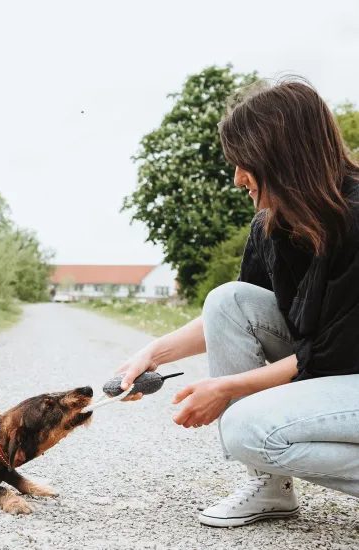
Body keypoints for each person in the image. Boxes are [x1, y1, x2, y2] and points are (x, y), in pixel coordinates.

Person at [117, 78, 359, 528]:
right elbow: (234, 318)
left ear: (282, 158)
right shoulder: (272, 225)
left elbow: (332, 353)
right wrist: (151, 352)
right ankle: (270, 487)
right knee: (227, 299)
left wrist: (229, 390)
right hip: (337, 371)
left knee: (247, 426)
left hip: (347, 366)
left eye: (243, 163)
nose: (236, 178)